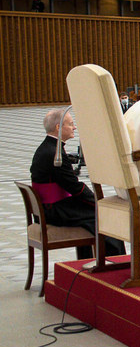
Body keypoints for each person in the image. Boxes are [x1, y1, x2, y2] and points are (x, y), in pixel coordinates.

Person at [31, 109, 126, 259]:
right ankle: (114, 262)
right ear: (58, 127)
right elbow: (75, 187)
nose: (74, 127)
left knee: (96, 212)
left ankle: (90, 259)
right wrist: (98, 201)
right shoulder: (55, 154)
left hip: (50, 207)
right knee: (106, 216)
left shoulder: (47, 148)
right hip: (55, 210)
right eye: (71, 124)